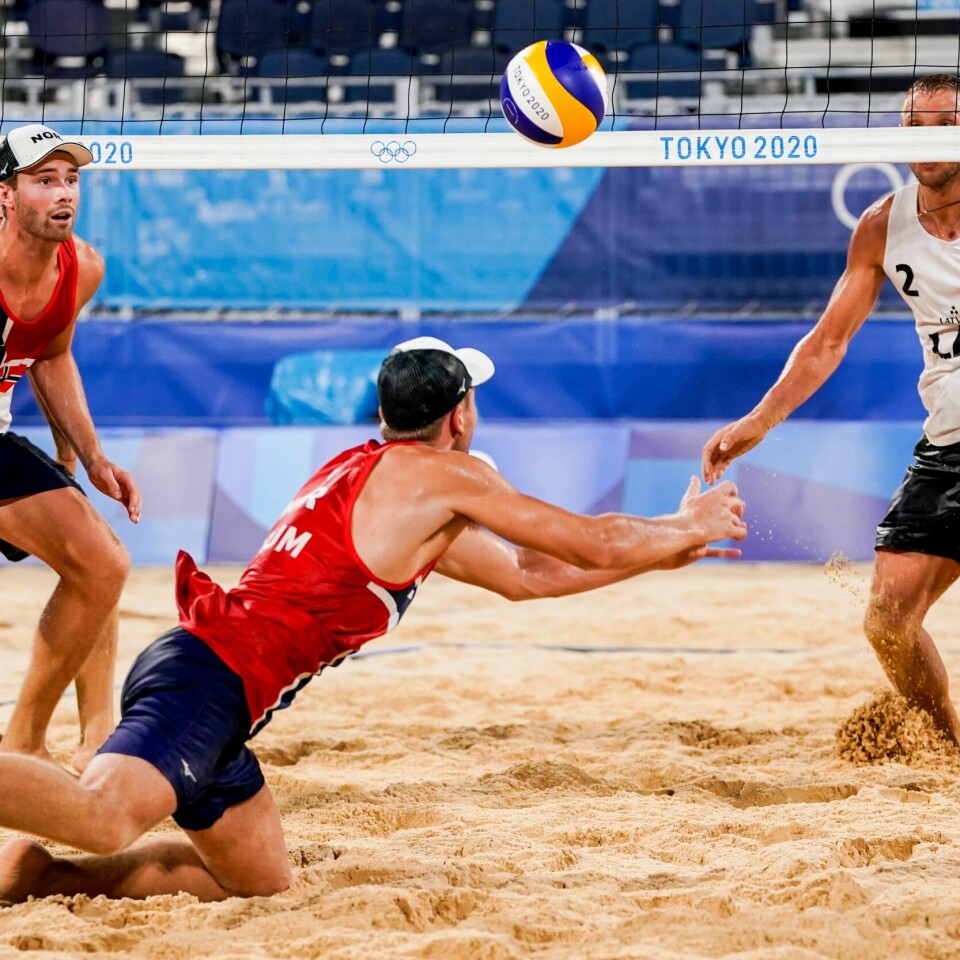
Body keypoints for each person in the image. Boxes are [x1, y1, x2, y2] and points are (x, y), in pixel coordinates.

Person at [0, 336, 746, 902]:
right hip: (213, 677)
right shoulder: (450, 476)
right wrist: (689, 525)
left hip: (220, 683)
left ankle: (43, 877)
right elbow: (587, 539)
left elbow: (527, 577)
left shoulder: (374, 481)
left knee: (258, 886)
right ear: (460, 415)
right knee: (105, 815)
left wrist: (659, 552)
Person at [702, 74, 960, 744]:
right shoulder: (882, 226)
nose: (927, 140)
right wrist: (755, 424)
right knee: (887, 623)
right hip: (949, 446)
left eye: (943, 124)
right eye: (915, 126)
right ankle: (947, 752)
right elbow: (827, 343)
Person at [0, 123, 142, 772]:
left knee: (98, 560)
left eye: (72, 179)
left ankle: (94, 735)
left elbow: (52, 357)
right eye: (44, 180)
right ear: (6, 194)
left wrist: (87, 459)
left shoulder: (81, 267)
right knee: (97, 560)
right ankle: (24, 745)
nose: (64, 193)